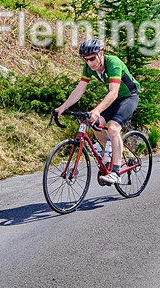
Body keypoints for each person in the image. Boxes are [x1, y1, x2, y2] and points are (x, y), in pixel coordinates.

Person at [55, 38, 140, 185]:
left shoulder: (113, 62)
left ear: (101, 53)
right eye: (86, 60)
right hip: (114, 99)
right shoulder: (88, 67)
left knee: (113, 128)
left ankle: (116, 172)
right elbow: (80, 89)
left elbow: (113, 93)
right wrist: (62, 107)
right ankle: (112, 154)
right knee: (95, 125)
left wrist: (97, 110)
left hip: (129, 97)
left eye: (92, 58)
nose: (89, 63)